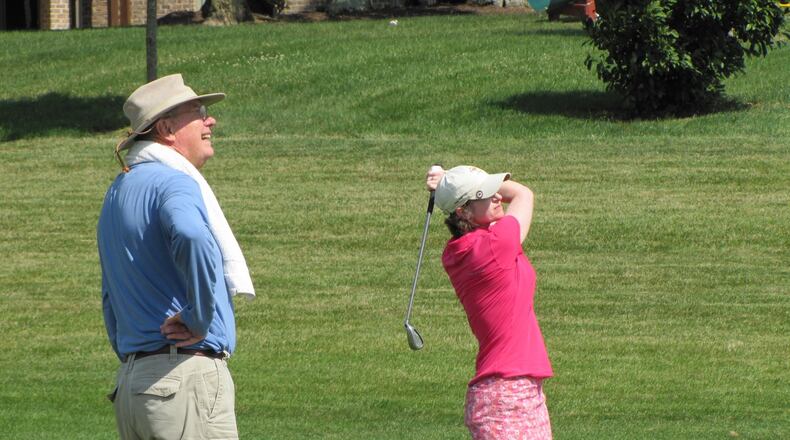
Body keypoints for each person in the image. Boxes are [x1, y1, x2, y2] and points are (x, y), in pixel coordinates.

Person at [98, 74, 255, 440]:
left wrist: (136, 356)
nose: (210, 120)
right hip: (182, 380)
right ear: (167, 129)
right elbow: (192, 233)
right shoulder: (173, 181)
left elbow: (110, 296)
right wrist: (200, 318)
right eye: (198, 112)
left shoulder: (117, 192)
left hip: (134, 388)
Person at [426, 165, 553, 440]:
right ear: (463, 211)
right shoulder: (495, 244)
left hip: (515, 391)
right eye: (486, 193)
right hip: (506, 395)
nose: (497, 197)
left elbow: (491, 210)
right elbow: (522, 194)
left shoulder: (458, 250)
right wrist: (448, 179)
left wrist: (451, 183)